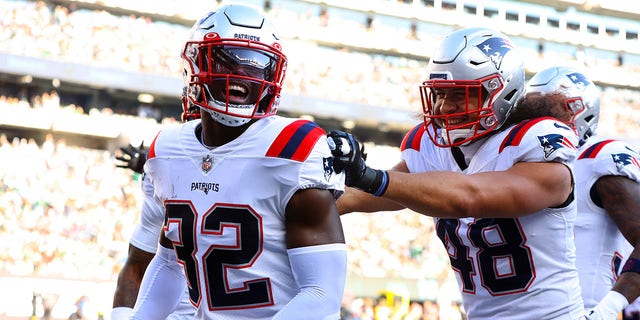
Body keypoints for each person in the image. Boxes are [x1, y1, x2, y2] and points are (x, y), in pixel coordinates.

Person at [328, 27, 586, 319]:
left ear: (502, 91)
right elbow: (362, 196)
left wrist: (369, 175)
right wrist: (305, 192)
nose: (443, 106)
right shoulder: (432, 147)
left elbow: (468, 197)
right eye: (439, 93)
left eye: (460, 95)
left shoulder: (535, 143)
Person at [128, 4, 347, 319]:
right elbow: (167, 263)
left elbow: (321, 295)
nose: (242, 75)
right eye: (228, 59)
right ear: (195, 65)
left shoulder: (294, 148)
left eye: (258, 66)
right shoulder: (167, 150)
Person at [521, 66, 640, 320]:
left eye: (545, 113)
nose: (535, 124)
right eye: (530, 113)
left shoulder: (597, 159)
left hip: (585, 310)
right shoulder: (524, 163)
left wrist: (605, 311)